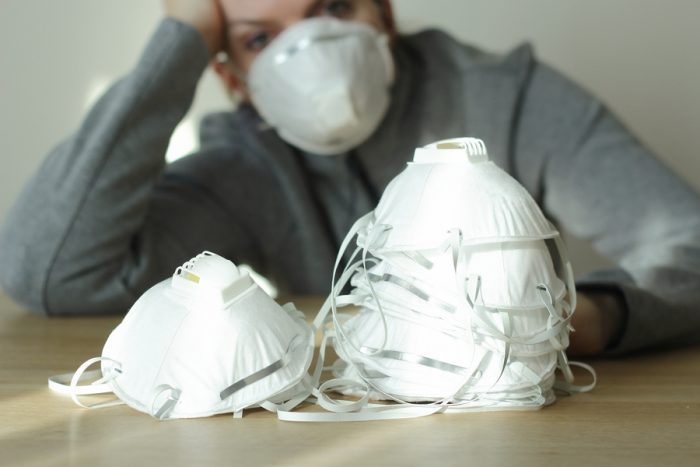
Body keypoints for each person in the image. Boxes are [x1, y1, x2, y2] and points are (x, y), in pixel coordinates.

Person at [0, 0, 699, 359]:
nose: (313, 53)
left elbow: (687, 242)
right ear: (233, 79)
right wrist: (178, 44)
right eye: (259, 38)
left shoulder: (506, 98)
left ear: (382, 17)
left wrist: (594, 317)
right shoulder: (243, 167)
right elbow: (48, 271)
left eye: (333, 6)